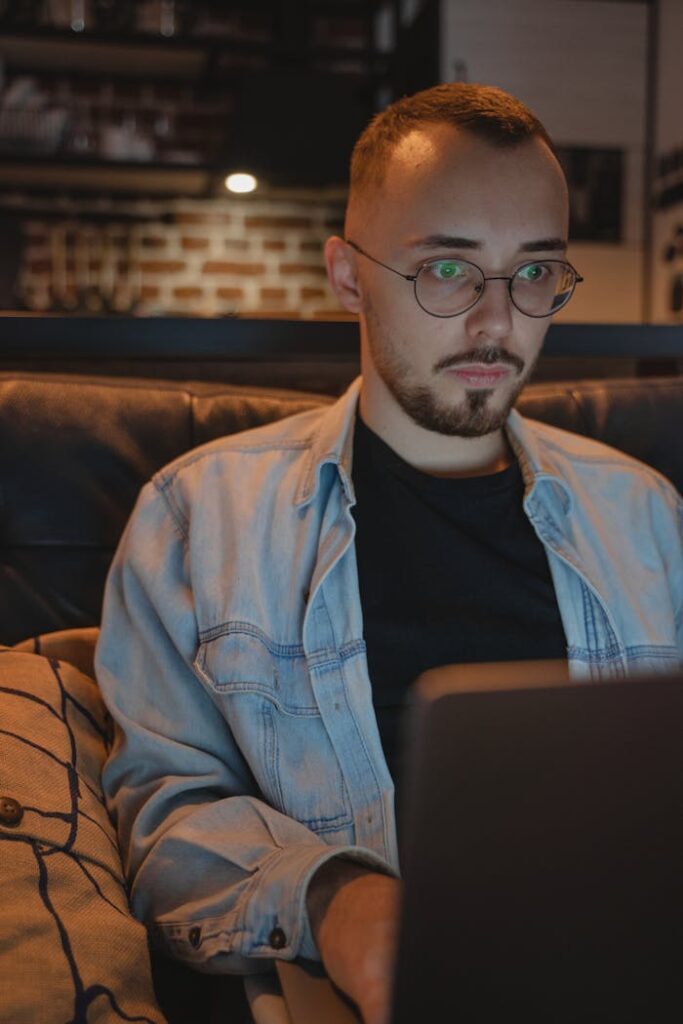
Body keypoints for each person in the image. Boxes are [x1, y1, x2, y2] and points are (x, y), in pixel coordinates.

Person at [96, 83, 683, 1024]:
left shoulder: (646, 517)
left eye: (533, 274)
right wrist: (335, 905)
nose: (496, 324)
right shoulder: (200, 516)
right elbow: (163, 810)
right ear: (345, 273)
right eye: (447, 272)